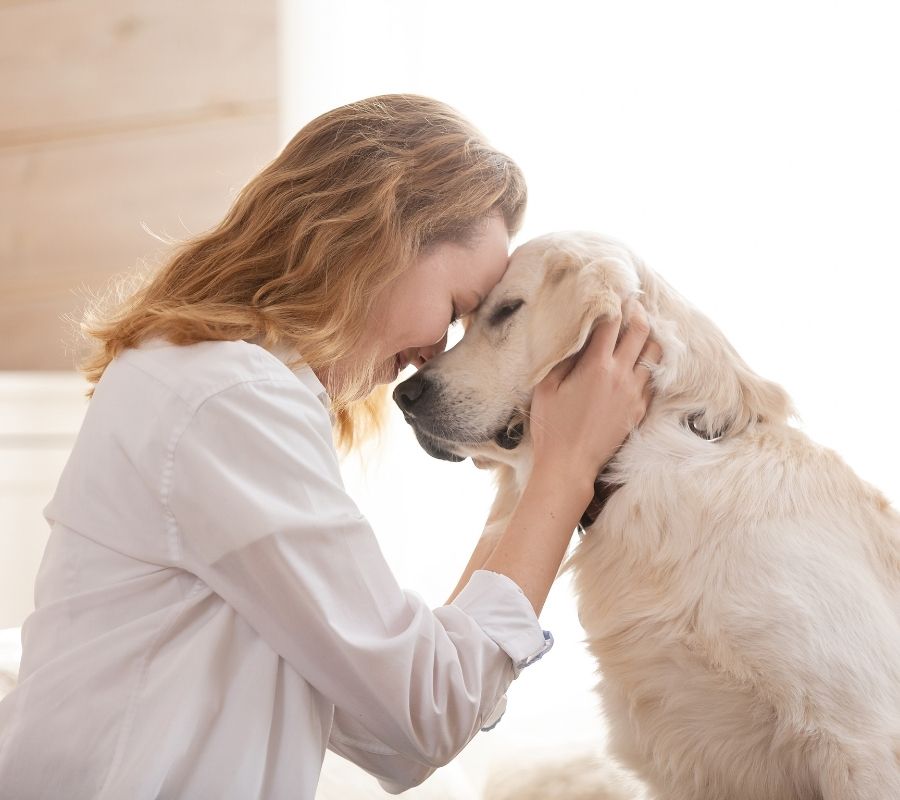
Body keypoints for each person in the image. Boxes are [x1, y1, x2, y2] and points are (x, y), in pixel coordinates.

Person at [0, 95, 659, 799]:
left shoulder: (213, 381)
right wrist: (566, 473)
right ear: (381, 236)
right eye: (459, 307)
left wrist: (532, 475)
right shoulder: (227, 397)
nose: (436, 352)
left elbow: (390, 733)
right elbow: (424, 714)